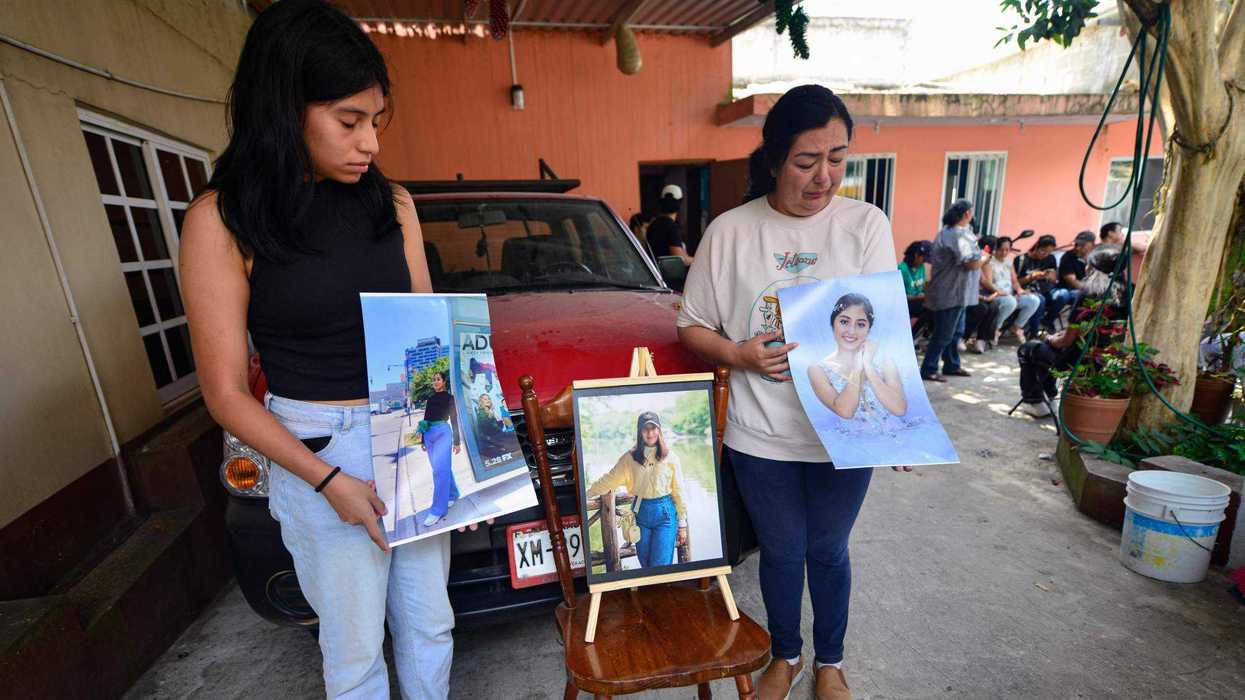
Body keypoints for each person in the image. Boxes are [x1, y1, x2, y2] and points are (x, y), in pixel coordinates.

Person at [179, 2, 455, 696]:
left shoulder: (390, 203)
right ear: (285, 109)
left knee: (431, 626)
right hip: (317, 450)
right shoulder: (223, 218)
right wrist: (328, 482)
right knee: (353, 651)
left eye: (375, 122)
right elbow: (225, 394)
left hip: (412, 433)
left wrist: (454, 435)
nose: (370, 144)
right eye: (348, 121)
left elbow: (426, 341)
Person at [676, 84, 910, 700]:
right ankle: (787, 656)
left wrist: (897, 421)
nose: (824, 176)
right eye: (807, 161)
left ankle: (829, 661)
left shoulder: (865, 225)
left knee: (829, 550)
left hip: (843, 432)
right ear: (776, 158)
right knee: (782, 553)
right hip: (761, 433)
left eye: (838, 158)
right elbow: (691, 324)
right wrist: (739, 355)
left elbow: (883, 328)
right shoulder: (730, 232)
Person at [585, 411, 688, 568]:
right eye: (645, 429)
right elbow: (610, 479)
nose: (650, 433)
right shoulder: (630, 458)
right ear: (640, 432)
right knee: (645, 564)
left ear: (659, 430)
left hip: (665, 513)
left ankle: (661, 591)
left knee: (660, 566)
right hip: (640, 513)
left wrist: (682, 525)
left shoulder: (671, 457)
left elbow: (679, 492)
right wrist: (586, 493)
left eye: (653, 428)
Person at [808, 293, 908, 426]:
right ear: (833, 324)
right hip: (853, 441)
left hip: (896, 435)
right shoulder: (817, 370)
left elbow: (900, 409)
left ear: (869, 329)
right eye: (844, 322)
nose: (851, 331)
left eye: (860, 324)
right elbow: (845, 412)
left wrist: (868, 366)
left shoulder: (885, 361)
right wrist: (857, 368)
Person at [920, 199, 989, 382]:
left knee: (956, 332)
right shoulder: (957, 235)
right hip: (950, 293)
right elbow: (971, 263)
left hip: (959, 293)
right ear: (967, 214)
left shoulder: (956, 233)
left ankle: (952, 364)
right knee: (943, 334)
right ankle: (929, 369)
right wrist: (984, 258)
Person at [976, 236, 1041, 350]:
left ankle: (1016, 327)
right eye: (1001, 249)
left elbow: (1015, 281)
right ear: (996, 248)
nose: (1004, 252)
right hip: (997, 295)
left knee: (1034, 300)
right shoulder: (989, 261)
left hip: (1010, 294)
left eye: (1007, 249)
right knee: (1010, 302)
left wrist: (1020, 290)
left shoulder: (1009, 262)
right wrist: (1000, 292)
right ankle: (996, 329)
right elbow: (988, 283)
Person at [418, 371, 462, 528]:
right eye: (434, 380)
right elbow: (426, 419)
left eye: (438, 379)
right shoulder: (430, 399)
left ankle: (438, 510)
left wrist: (457, 441)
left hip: (443, 432)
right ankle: (452, 493)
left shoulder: (450, 398)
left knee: (439, 470)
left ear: (444, 382)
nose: (435, 382)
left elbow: (455, 419)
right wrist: (423, 439)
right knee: (441, 468)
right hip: (429, 434)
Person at [1013, 234, 1059, 336]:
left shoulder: (1050, 259)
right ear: (1037, 246)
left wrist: (1047, 276)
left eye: (1049, 252)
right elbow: (1015, 283)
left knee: (1062, 296)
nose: (1045, 254)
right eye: (1043, 250)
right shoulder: (1021, 260)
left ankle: (1047, 323)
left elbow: (1054, 278)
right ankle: (1034, 333)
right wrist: (1031, 277)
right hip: (1027, 291)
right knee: (1040, 300)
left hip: (1045, 289)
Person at [1048, 230, 1095, 326]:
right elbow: (1072, 281)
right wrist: (1090, 290)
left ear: (1091, 245)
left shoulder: (1094, 257)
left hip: (1084, 289)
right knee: (1080, 295)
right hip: (1067, 289)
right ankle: (1048, 321)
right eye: (1077, 244)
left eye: (1082, 245)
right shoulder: (1068, 257)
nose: (1077, 247)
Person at [646, 184, 694, 265]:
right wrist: (698, 260)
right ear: (680, 203)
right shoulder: (672, 227)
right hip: (668, 276)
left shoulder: (652, 225)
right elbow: (680, 259)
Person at [899, 240, 931, 335]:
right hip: (905, 304)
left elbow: (923, 285)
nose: (924, 262)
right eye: (924, 259)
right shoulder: (901, 269)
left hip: (919, 301)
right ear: (916, 255)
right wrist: (921, 297)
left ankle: (917, 335)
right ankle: (911, 336)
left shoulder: (921, 267)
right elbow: (899, 297)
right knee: (929, 308)